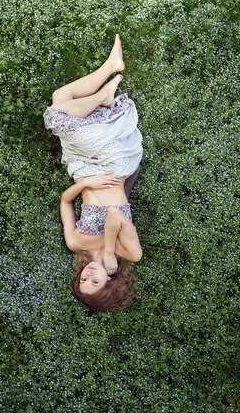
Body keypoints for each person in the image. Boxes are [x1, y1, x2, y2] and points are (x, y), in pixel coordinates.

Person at [43, 34, 143, 312]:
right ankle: (104, 92)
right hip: (115, 163)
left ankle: (110, 71)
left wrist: (87, 182)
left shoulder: (76, 244)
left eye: (82, 281)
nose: (87, 275)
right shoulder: (130, 253)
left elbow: (65, 201)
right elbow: (114, 216)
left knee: (60, 99)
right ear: (110, 283)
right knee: (56, 115)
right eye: (94, 283)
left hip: (84, 168)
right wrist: (109, 250)